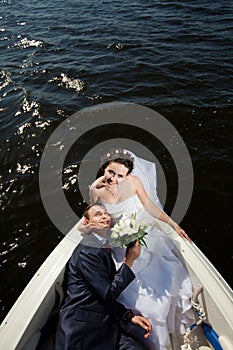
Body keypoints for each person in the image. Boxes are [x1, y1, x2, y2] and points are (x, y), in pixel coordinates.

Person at [88, 149, 194, 350]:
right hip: (118, 245)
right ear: (104, 169)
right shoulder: (96, 190)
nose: (115, 179)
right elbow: (95, 213)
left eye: (121, 175)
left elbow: (150, 207)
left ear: (128, 176)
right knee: (134, 296)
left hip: (138, 238)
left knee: (164, 281)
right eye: (111, 173)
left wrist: (174, 225)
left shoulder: (134, 183)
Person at [55, 204, 152, 350]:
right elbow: (108, 295)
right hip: (83, 332)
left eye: (106, 213)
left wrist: (127, 315)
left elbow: (101, 293)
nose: (105, 216)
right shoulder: (88, 251)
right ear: (88, 222)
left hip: (107, 325)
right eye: (98, 214)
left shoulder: (101, 245)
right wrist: (129, 261)